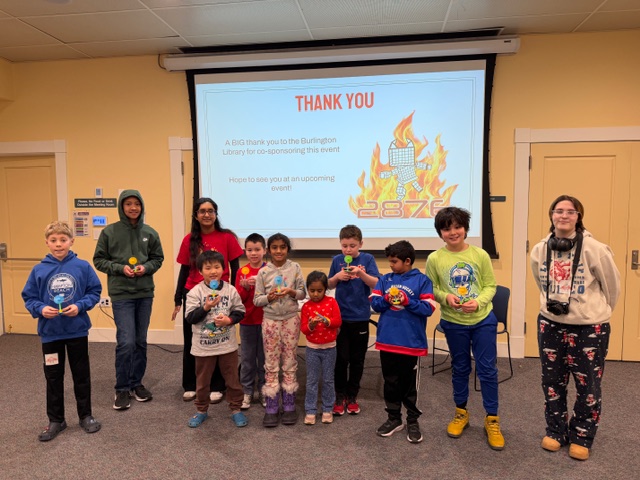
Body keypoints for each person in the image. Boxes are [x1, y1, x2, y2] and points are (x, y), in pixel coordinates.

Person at [530, 195, 620, 461]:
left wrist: (594, 312)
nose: (564, 215)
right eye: (559, 210)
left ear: (579, 216)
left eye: (571, 211)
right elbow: (541, 282)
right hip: (550, 325)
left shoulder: (595, 249)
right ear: (551, 215)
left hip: (588, 328)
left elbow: (612, 286)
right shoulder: (540, 249)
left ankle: (582, 436)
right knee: (552, 383)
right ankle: (556, 432)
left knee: (587, 384)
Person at [425, 206, 504, 451]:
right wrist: (445, 297)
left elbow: (490, 286)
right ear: (440, 232)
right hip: (453, 322)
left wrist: (478, 302)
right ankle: (461, 412)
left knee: (487, 370)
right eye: (447, 228)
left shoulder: (480, 255)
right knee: (460, 368)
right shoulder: (434, 259)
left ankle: (492, 419)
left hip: (483, 320)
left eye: (457, 227)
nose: (453, 232)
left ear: (466, 229)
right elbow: (431, 289)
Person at [22, 221, 103, 441]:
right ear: (47, 243)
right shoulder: (38, 270)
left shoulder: (83, 267)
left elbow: (94, 291)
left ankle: (85, 416)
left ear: (71, 241)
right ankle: (56, 420)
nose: (58, 244)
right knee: (53, 377)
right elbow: (29, 297)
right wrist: (40, 309)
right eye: (54, 240)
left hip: (77, 331)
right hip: (51, 334)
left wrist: (80, 306)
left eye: (63, 240)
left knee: (81, 375)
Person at [93, 189, 164, 410]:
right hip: (121, 294)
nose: (133, 208)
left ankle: (136, 383)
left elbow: (158, 258)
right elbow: (99, 260)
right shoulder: (109, 232)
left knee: (140, 341)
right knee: (126, 342)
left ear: (142, 206)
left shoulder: (150, 232)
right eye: (128, 204)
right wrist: (119, 268)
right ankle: (122, 388)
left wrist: (146, 268)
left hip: (144, 293)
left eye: (137, 204)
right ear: (121, 207)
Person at [172, 198, 243, 403]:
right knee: (193, 340)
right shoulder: (189, 240)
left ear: (215, 214)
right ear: (196, 215)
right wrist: (178, 297)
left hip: (221, 293)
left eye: (210, 211)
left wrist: (234, 293)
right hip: (194, 294)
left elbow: (236, 268)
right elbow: (184, 270)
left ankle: (217, 386)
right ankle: (190, 384)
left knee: (219, 337)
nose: (206, 214)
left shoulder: (227, 237)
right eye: (202, 211)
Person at [370, 240, 436, 444]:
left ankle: (412, 420)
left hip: (411, 343)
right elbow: (374, 304)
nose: (391, 265)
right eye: (390, 261)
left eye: (394, 262)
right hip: (387, 340)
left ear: (407, 261)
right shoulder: (385, 279)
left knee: (409, 385)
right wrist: (386, 300)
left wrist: (407, 301)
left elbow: (428, 308)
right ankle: (394, 418)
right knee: (390, 381)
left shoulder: (422, 280)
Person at [184, 250, 247, 428]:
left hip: (227, 345)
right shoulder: (195, 292)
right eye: (208, 268)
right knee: (202, 382)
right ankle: (201, 410)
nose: (213, 271)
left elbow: (240, 311)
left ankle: (236, 408)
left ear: (224, 269)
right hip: (203, 347)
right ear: (200, 271)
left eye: (217, 267)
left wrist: (229, 320)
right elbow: (190, 318)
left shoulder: (230, 290)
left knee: (232, 380)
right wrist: (205, 307)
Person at [254, 233, 306, 427]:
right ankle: (272, 404)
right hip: (270, 322)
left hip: (291, 320)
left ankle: (289, 403)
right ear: (268, 250)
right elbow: (257, 300)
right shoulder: (263, 272)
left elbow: (302, 293)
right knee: (271, 362)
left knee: (290, 360)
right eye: (274, 247)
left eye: (282, 247)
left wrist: (291, 292)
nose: (278, 251)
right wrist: (269, 297)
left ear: (287, 249)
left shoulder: (295, 268)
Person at [328, 224, 380, 416]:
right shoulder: (337, 260)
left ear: (360, 244)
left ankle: (352, 396)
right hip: (341, 318)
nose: (348, 250)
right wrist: (337, 276)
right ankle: (339, 395)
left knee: (357, 359)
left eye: (352, 246)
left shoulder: (368, 259)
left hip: (360, 317)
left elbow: (377, 283)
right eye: (344, 246)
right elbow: (328, 284)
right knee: (341, 359)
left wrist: (361, 273)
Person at [300, 271, 342, 425]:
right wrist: (311, 325)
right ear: (307, 289)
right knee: (311, 380)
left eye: (319, 290)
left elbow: (338, 321)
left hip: (330, 348)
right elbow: (304, 329)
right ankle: (310, 410)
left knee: (328, 380)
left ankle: (327, 408)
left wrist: (327, 321)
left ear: (325, 289)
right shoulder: (306, 306)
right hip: (312, 349)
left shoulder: (331, 302)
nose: (316, 294)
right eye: (312, 291)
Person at [235, 233, 267, 409]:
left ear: (264, 251)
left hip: (266, 321)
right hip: (247, 321)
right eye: (249, 250)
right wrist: (246, 288)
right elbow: (238, 299)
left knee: (264, 359)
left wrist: (261, 285)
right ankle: (246, 391)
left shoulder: (269, 270)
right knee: (247, 359)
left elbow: (274, 294)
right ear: (245, 251)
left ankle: (264, 390)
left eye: (257, 249)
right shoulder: (242, 272)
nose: (253, 253)